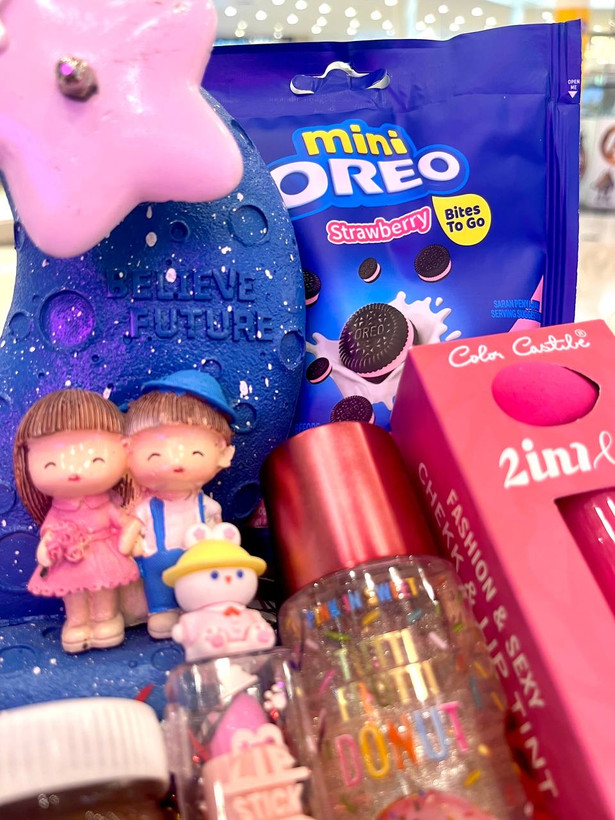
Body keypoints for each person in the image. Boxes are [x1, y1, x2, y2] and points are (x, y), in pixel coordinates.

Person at [13, 389, 142, 653]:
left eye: (94, 458)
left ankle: (106, 619)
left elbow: (125, 522)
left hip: (104, 556)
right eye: (51, 463)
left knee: (105, 591)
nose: (73, 470)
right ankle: (77, 622)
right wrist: (46, 549)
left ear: (125, 449)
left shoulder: (106, 505)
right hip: (68, 562)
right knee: (73, 595)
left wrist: (131, 537)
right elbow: (49, 532)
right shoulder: (58, 510)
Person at [125, 370, 236, 639]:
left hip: (197, 565)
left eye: (195, 451)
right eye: (155, 452)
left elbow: (221, 536)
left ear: (224, 454)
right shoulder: (145, 508)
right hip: (156, 564)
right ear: (127, 452)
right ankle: (162, 611)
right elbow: (130, 534)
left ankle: (195, 609)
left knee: (197, 589)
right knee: (158, 593)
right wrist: (128, 548)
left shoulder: (208, 507)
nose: (176, 461)